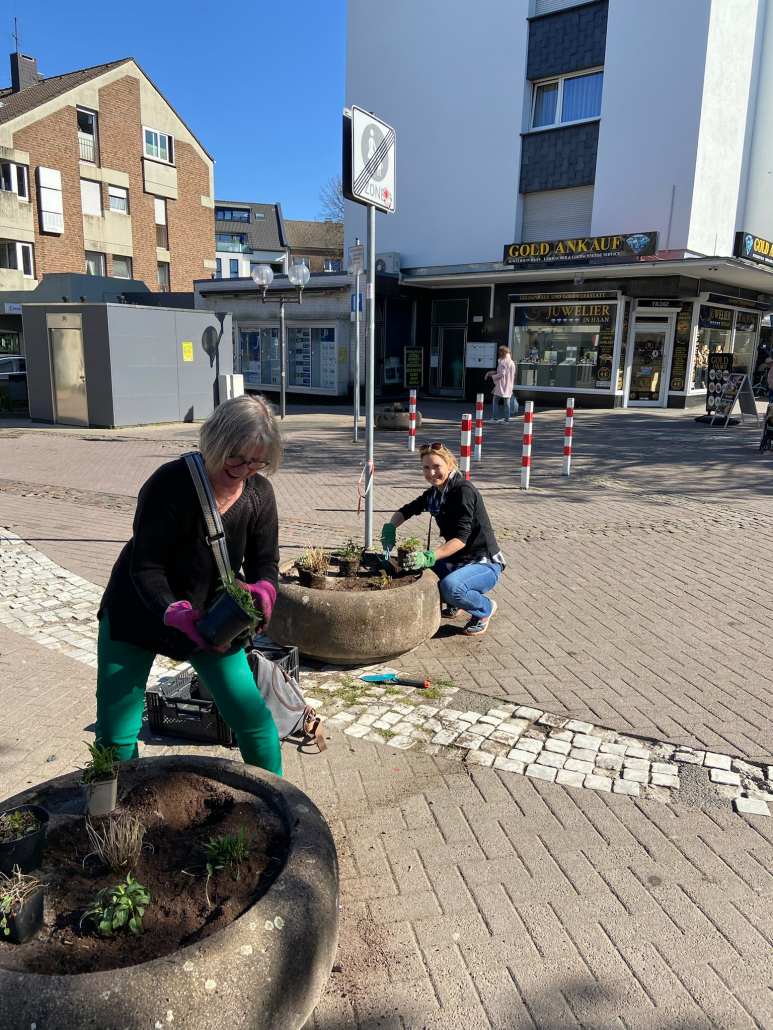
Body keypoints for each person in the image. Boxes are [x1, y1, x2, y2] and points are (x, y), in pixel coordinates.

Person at [95, 395, 284, 775]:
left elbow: (265, 562)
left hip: (214, 620)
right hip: (138, 613)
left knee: (255, 723)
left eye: (256, 461)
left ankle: (278, 803)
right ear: (214, 440)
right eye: (236, 457)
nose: (244, 469)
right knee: (116, 737)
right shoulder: (169, 484)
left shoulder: (259, 493)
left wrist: (265, 590)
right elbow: (145, 566)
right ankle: (117, 821)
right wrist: (174, 611)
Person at [380, 442, 505, 637]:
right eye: (426, 468)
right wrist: (390, 528)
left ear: (450, 465)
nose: (431, 473)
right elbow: (406, 511)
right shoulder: (434, 494)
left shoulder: (463, 491)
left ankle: (484, 608)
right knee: (410, 567)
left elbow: (460, 539)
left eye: (436, 466)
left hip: (484, 563)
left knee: (450, 587)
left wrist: (429, 556)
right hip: (457, 561)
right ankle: (456, 603)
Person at [485, 345, 516, 423]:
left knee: (495, 401)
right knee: (507, 403)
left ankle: (495, 418)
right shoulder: (511, 362)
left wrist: (493, 376)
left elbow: (501, 374)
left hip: (501, 384)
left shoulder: (502, 361)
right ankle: (506, 420)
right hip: (509, 384)